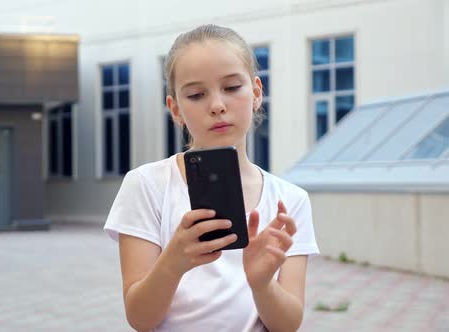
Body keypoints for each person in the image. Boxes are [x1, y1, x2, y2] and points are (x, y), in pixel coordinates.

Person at [104, 24, 319, 332]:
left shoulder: (291, 200)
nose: (217, 105)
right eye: (196, 94)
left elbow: (288, 324)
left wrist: (261, 285)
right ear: (175, 109)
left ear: (256, 92)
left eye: (232, 88)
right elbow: (139, 318)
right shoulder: (147, 184)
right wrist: (174, 261)